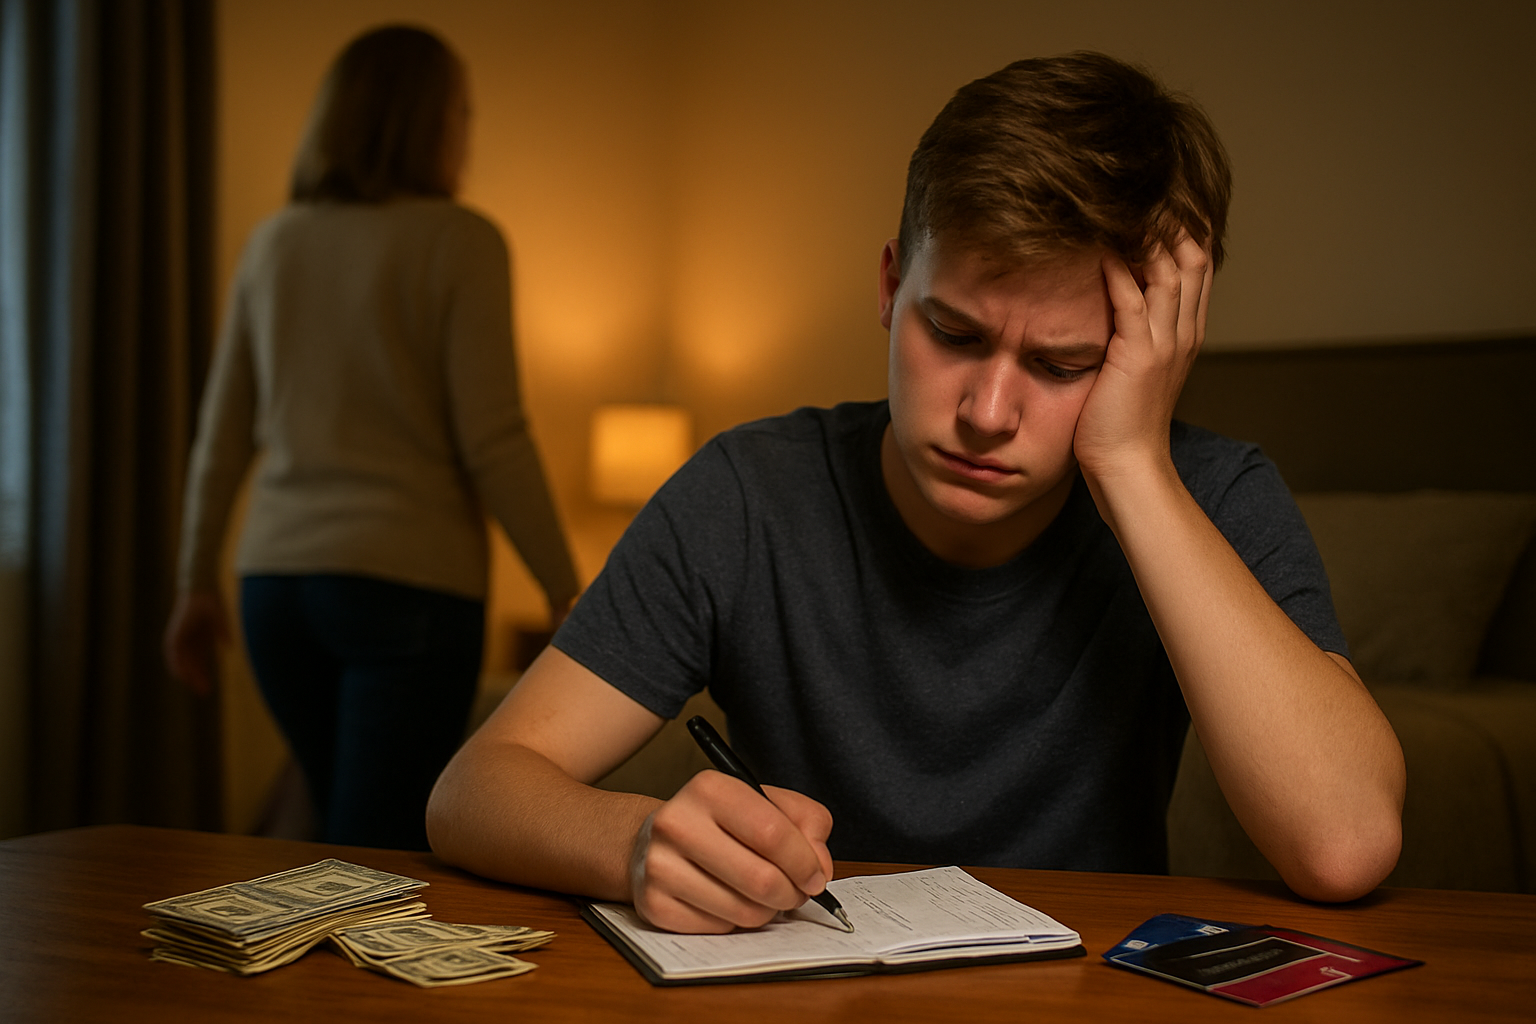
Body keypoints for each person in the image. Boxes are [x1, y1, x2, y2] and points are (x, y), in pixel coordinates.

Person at [426, 52, 1405, 928]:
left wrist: (1133, 467)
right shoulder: (749, 491)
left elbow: (1345, 844)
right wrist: (637, 844)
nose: (985, 409)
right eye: (955, 333)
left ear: (1147, 356)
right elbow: (473, 791)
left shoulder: (1209, 494)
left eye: (1063, 365)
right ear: (892, 285)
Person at [164, 25, 579, 851]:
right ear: (430, 120)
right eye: (461, 111)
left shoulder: (274, 243)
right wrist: (566, 588)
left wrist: (193, 583)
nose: (467, 131)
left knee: (337, 832)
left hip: (275, 590)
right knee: (376, 852)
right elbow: (493, 436)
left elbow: (221, 435)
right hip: (408, 590)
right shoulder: (461, 241)